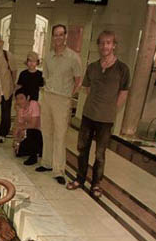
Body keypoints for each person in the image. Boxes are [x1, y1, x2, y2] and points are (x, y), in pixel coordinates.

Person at [67, 30, 130, 198]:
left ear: (114, 45)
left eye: (108, 43)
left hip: (106, 119)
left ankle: (96, 184)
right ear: (98, 45)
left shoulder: (122, 69)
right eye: (102, 43)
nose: (105, 46)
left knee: (100, 154)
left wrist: (111, 109)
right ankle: (80, 179)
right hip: (88, 115)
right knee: (82, 150)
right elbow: (87, 88)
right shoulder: (92, 67)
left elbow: (124, 92)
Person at [37, 24, 82, 184]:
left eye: (61, 34)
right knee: (46, 131)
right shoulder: (48, 56)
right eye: (56, 34)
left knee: (60, 135)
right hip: (47, 96)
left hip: (62, 100)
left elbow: (78, 80)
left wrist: (69, 95)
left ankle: (58, 170)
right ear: (52, 37)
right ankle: (47, 163)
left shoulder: (73, 57)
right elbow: (46, 77)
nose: (58, 37)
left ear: (65, 36)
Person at [13, 90, 43, 165]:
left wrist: (20, 128)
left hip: (40, 133)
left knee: (31, 131)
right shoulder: (20, 109)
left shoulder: (34, 104)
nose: (19, 101)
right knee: (18, 153)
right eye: (17, 99)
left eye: (21, 98)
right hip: (31, 134)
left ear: (28, 97)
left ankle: (34, 156)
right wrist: (17, 142)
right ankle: (37, 150)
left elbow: (34, 125)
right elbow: (19, 126)